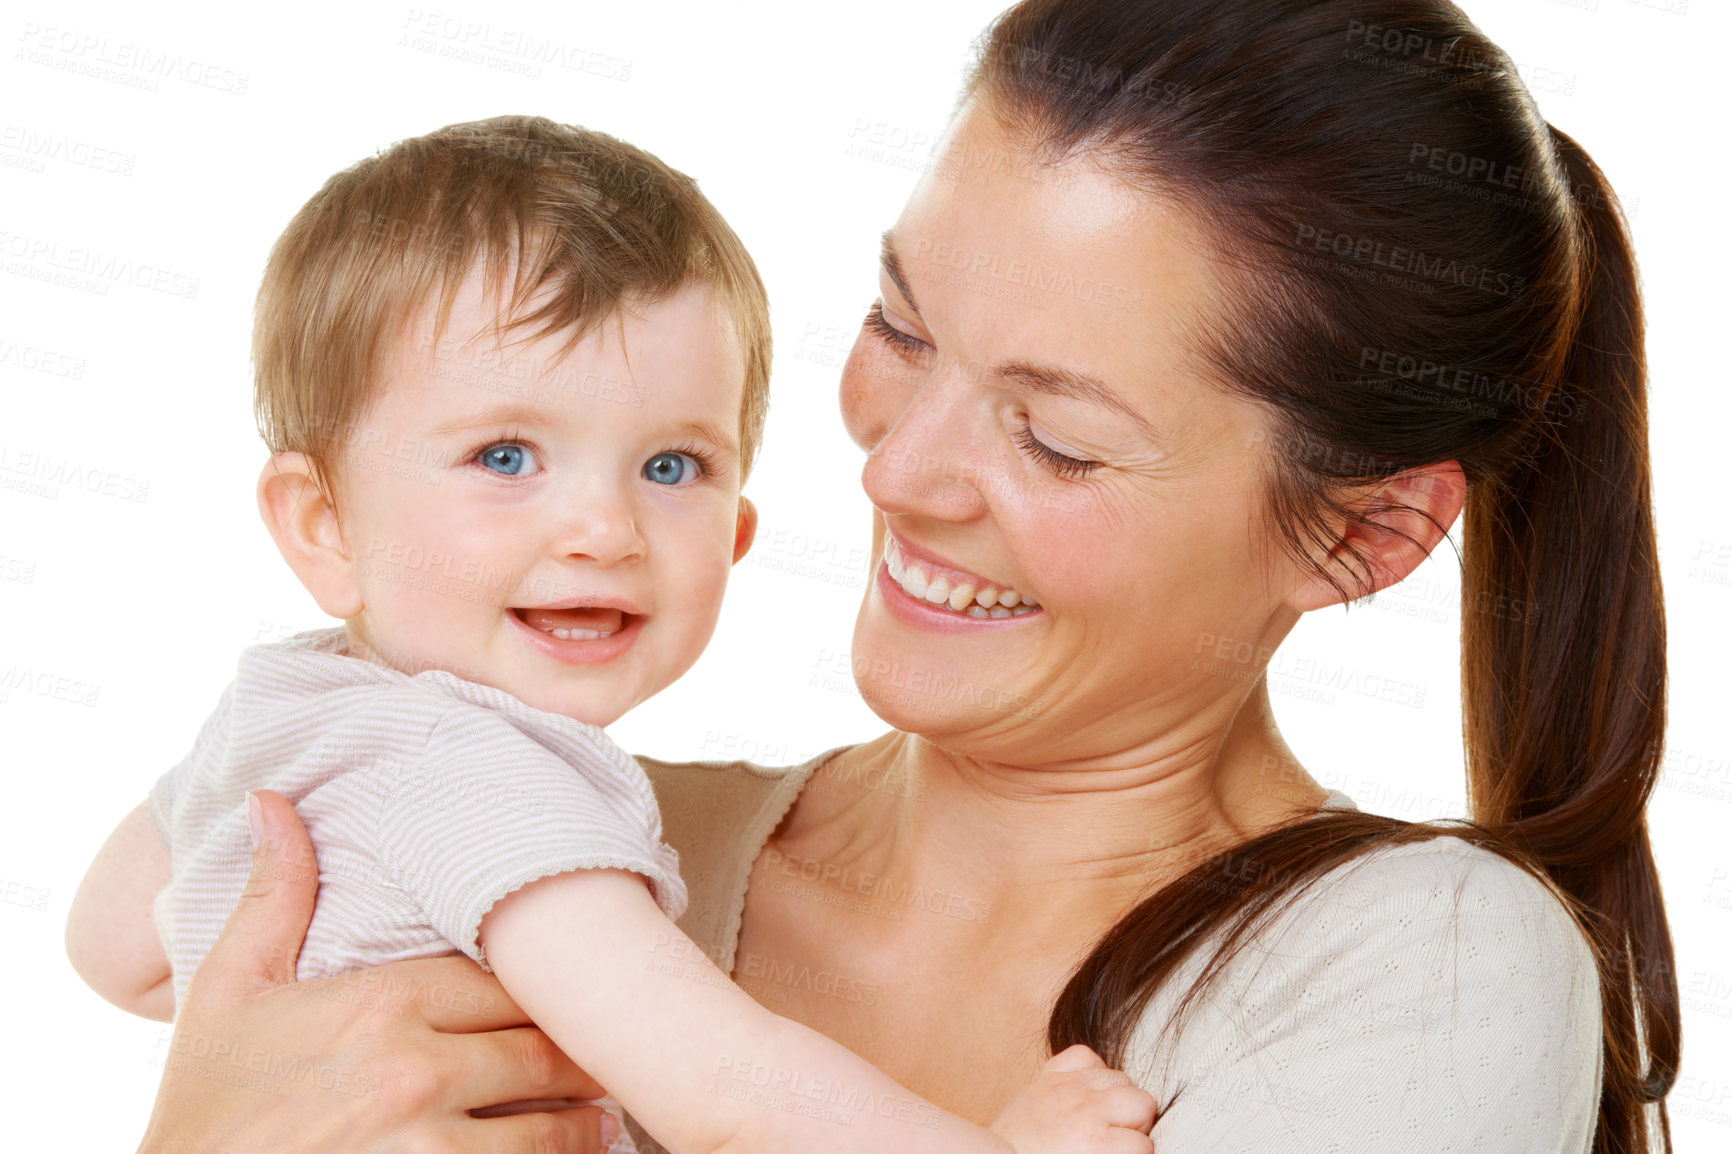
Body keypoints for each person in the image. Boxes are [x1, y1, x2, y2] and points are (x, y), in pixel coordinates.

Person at [127, 1, 1680, 1151]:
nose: (894, 471)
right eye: (902, 329)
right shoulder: (565, 834)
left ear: (1368, 532)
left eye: (1058, 436)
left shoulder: (1419, 965)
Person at [62, 115, 1160, 1154]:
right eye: (505, 456)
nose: (603, 529)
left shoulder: (279, 711)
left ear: (735, 534)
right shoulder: (486, 779)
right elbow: (727, 1092)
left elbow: (113, 951)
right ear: (322, 523)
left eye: (669, 466)